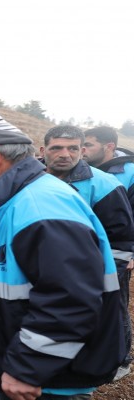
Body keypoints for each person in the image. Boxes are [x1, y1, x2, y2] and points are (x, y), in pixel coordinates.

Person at [0, 114, 122, 399]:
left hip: (46, 380)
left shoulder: (40, 206)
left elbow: (70, 299)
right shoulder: (19, 199)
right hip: (40, 370)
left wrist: (27, 368)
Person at [45, 125, 134, 382]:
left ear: (82, 150)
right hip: (41, 269)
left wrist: (107, 276)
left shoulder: (105, 184)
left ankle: (110, 362)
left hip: (89, 272)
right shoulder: (31, 179)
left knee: (102, 316)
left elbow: (121, 237)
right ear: (43, 150)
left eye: (73, 148)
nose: (65, 154)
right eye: (57, 148)